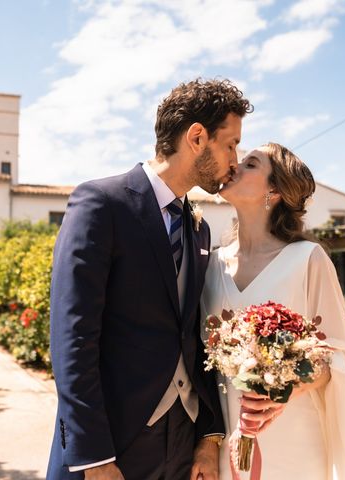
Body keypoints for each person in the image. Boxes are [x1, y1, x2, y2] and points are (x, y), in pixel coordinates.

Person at [47, 78, 253, 480]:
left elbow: (195, 337)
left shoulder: (199, 229)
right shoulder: (101, 204)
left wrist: (209, 437)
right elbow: (72, 338)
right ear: (197, 137)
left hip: (183, 442)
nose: (235, 159)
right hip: (113, 445)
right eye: (230, 144)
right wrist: (94, 458)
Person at [200, 143, 345, 479]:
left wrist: (287, 380)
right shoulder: (211, 263)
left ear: (274, 190)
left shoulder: (308, 258)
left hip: (295, 438)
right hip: (230, 434)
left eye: (249, 164)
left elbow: (340, 356)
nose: (234, 166)